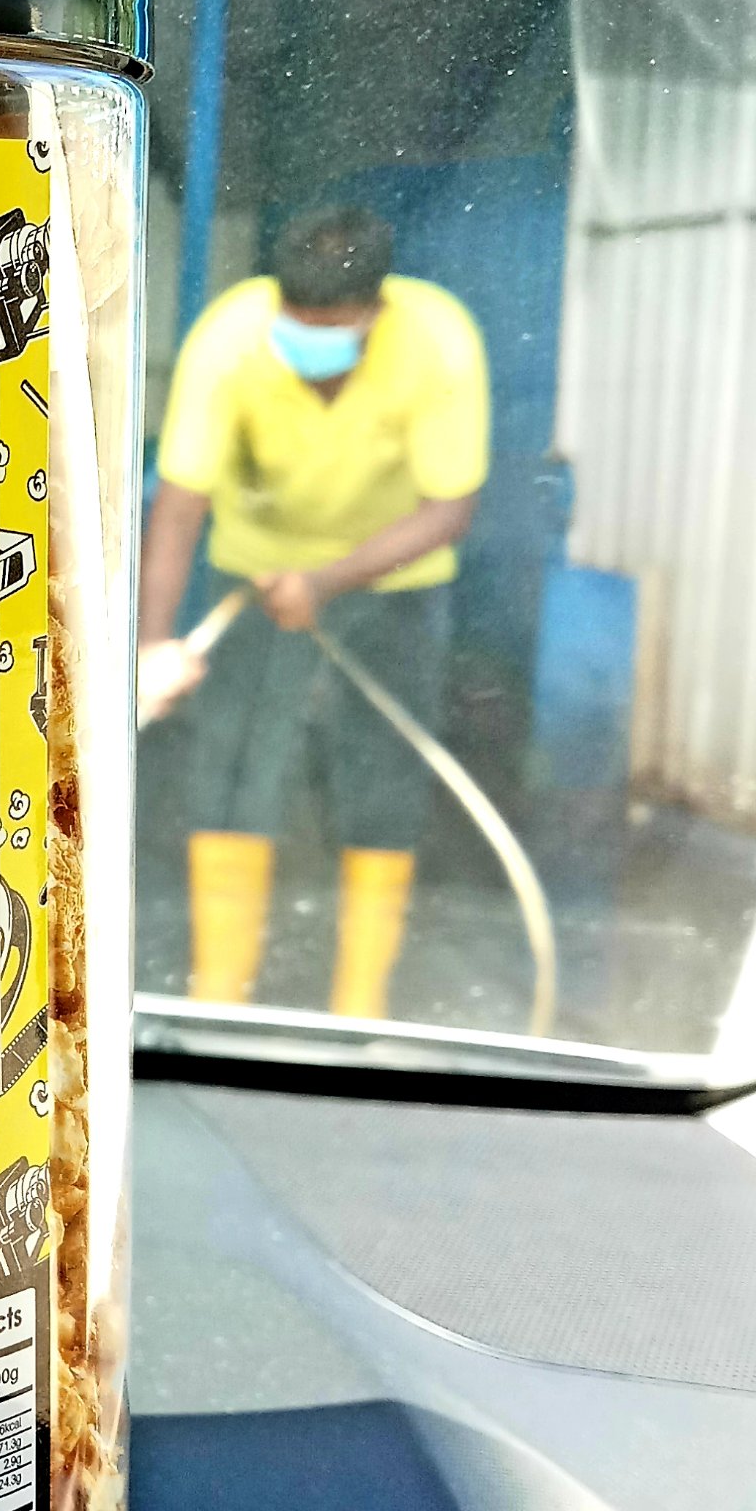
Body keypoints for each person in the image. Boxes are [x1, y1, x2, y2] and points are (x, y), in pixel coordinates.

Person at [136, 203, 489, 1019]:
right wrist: (152, 644)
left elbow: (449, 508)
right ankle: (219, 999)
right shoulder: (231, 339)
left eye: (331, 328)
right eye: (298, 323)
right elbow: (180, 505)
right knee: (232, 770)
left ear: (377, 309)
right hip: (254, 577)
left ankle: (360, 1005)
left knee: (383, 778)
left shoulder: (437, 341)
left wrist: (324, 582)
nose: (309, 344)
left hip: (394, 580)